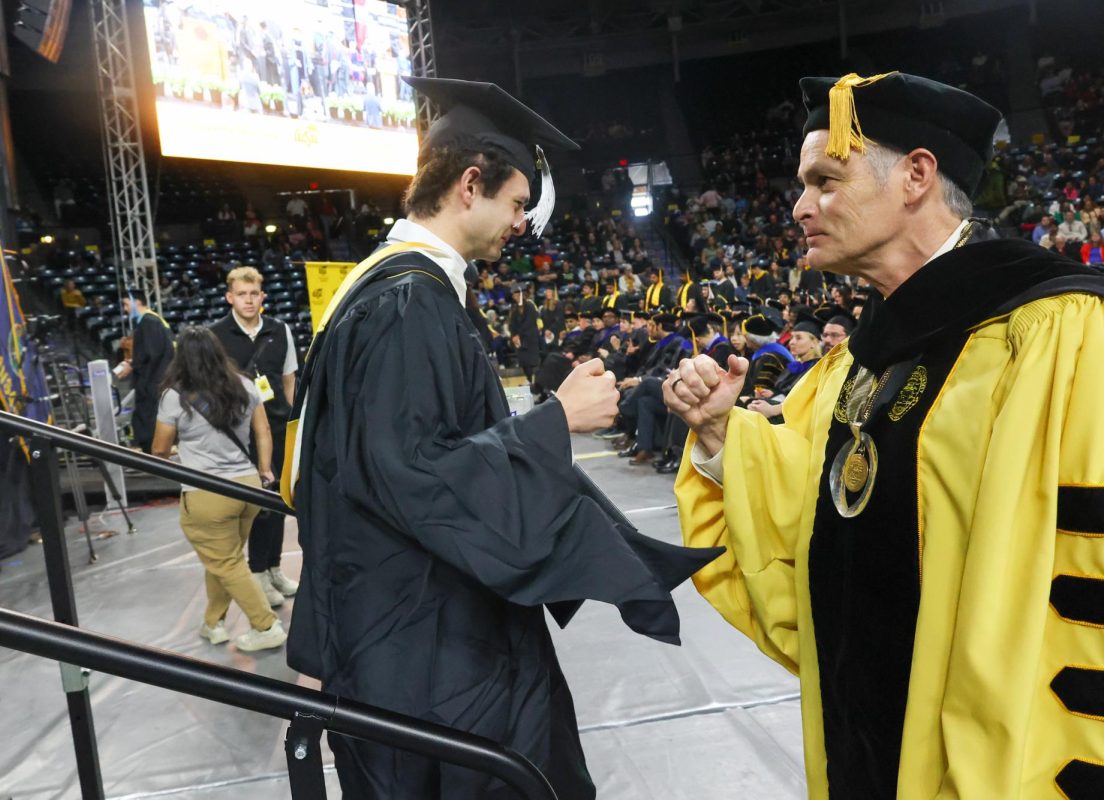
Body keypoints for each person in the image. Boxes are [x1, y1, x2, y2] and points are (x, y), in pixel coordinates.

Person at [667, 71, 1104, 799]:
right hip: (867, 747)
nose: (800, 206)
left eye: (825, 180)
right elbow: (802, 531)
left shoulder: (1058, 336)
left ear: (916, 176)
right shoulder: (855, 367)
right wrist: (718, 434)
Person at [281, 76, 719, 799]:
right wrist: (556, 421)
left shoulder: (385, 291)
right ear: (470, 184)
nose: (522, 223)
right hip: (425, 642)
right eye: (516, 203)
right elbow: (412, 475)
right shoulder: (406, 305)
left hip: (406, 622)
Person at [151, 327, 287, 652]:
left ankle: (266, 625)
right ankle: (214, 623)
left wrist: (178, 450)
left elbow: (158, 449)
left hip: (207, 492)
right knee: (226, 558)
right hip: (247, 487)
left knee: (226, 562)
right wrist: (266, 469)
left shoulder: (174, 396)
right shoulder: (246, 385)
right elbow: (263, 430)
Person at [210, 267, 300, 609]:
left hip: (277, 428)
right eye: (242, 294)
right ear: (229, 297)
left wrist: (296, 421)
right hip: (239, 433)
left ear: (262, 296)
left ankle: (274, 568)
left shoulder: (280, 330)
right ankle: (257, 572)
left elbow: (289, 379)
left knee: (278, 501)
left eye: (254, 294)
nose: (248, 300)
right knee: (255, 505)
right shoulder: (216, 335)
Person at [116, 290, 174, 453]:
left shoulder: (148, 322)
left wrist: (132, 366)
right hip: (156, 378)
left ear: (137, 302)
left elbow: (152, 352)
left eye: (127, 304)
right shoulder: (154, 320)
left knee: (148, 419)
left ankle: (152, 454)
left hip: (152, 380)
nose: (126, 309)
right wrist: (134, 362)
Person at [507, 282, 541, 382]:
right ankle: (529, 380)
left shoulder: (530, 306)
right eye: (514, 295)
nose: (516, 296)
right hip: (519, 340)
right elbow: (512, 325)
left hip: (530, 338)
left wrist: (518, 335)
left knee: (532, 362)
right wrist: (514, 336)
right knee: (524, 362)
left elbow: (529, 323)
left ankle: (534, 382)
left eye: (518, 294)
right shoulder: (514, 309)